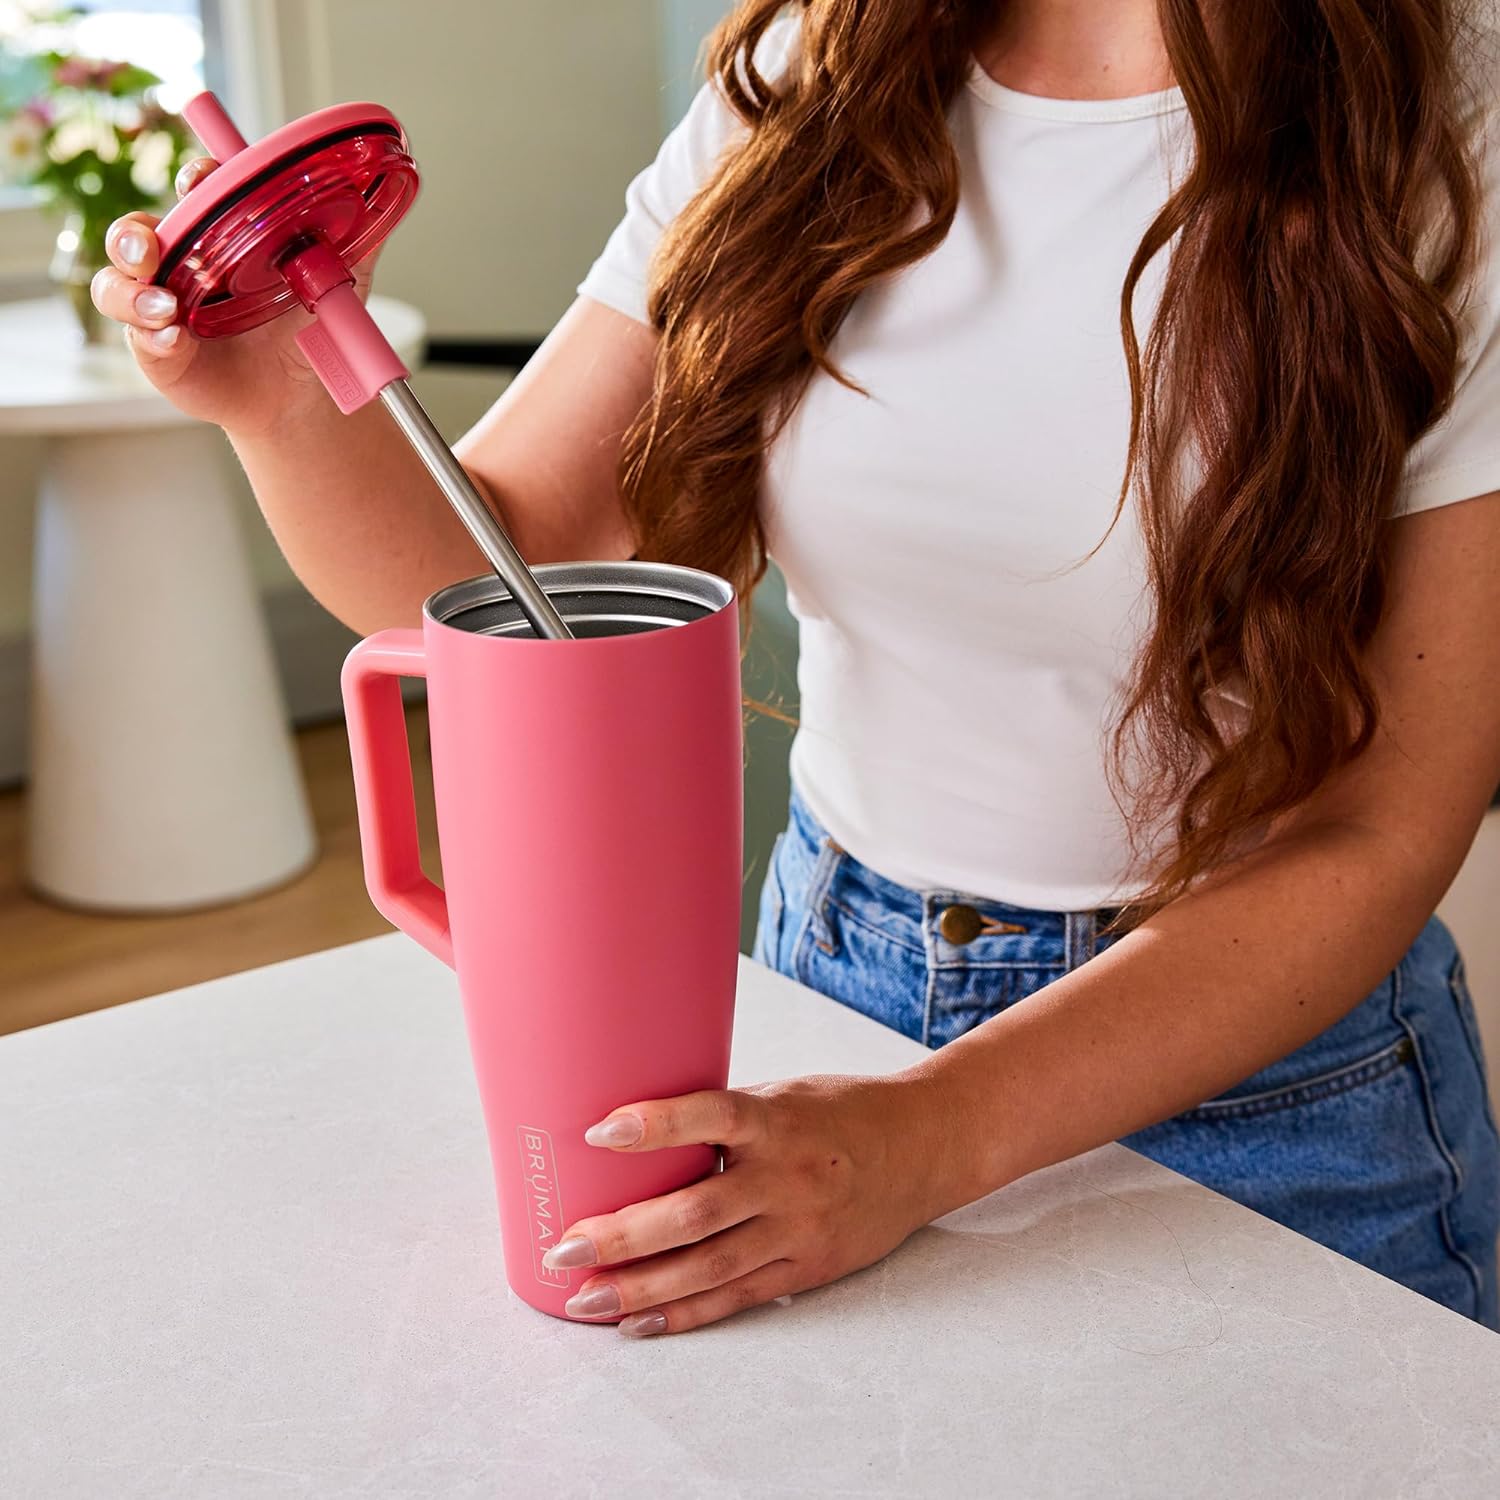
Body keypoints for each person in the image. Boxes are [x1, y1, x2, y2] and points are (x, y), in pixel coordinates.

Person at [94, 0, 1500, 1335]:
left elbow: (1383, 829)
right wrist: (278, 401)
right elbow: (493, 576)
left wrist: (933, 1135)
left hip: (1272, 1088)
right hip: (827, 1000)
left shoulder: (1454, 119)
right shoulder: (818, 62)